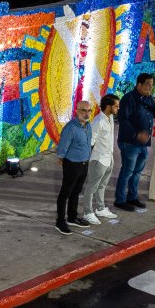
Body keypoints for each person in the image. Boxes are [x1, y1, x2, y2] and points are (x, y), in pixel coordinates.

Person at [114, 73, 155, 211]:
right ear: (139, 85)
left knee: (137, 172)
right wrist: (136, 134)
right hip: (130, 142)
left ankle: (132, 197)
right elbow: (123, 120)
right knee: (127, 171)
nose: (151, 87)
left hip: (143, 143)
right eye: (148, 84)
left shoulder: (148, 98)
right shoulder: (128, 99)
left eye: (152, 84)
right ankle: (120, 200)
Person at [55, 99, 94, 234]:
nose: (86, 113)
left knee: (76, 191)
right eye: (83, 110)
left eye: (89, 111)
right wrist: (63, 161)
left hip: (84, 163)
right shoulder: (71, 128)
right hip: (72, 164)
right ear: (76, 111)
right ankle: (60, 222)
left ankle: (72, 217)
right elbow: (62, 148)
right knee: (65, 193)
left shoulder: (88, 126)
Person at [81, 94, 120, 225]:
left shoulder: (110, 117)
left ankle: (100, 208)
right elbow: (90, 142)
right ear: (108, 107)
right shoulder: (98, 122)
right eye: (116, 106)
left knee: (102, 186)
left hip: (109, 158)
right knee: (92, 187)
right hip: (98, 160)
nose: (118, 108)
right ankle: (87, 212)